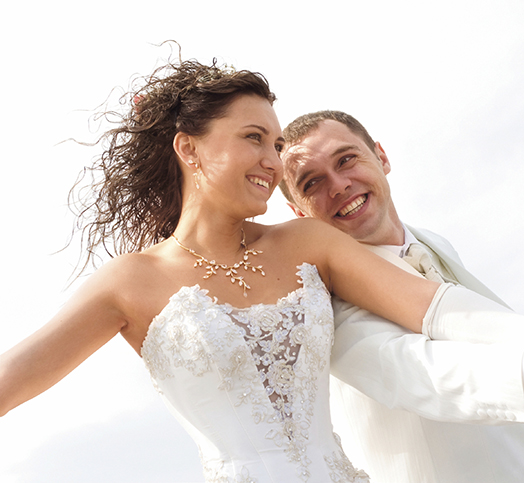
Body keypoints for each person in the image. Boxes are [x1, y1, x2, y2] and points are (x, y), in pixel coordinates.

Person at [0, 58, 485, 483]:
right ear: (189, 150)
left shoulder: (308, 244)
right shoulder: (130, 281)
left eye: (275, 145)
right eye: (254, 138)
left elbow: (438, 309)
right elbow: (13, 379)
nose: (273, 162)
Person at [279, 110, 524, 483]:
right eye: (312, 183)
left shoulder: (434, 242)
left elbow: (482, 336)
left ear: (381, 157)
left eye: (346, 159)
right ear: (297, 212)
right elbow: (415, 372)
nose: (338, 185)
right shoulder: (321, 299)